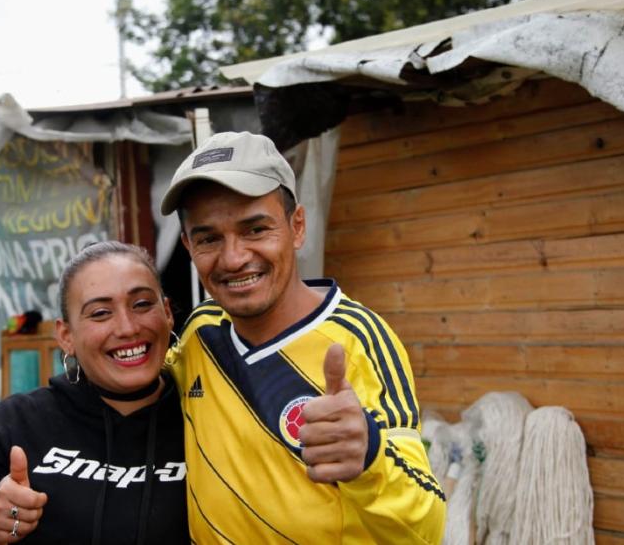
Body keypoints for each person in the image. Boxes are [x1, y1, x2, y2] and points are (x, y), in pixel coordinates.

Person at [159, 131, 447, 544]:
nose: (234, 257)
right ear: (187, 245)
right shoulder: (200, 332)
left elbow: (428, 529)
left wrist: (370, 460)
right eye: (209, 238)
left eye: (256, 229)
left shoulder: (357, 341)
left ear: (297, 227)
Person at [0, 241, 188, 544]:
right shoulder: (11, 428)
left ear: (166, 313)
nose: (127, 328)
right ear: (66, 336)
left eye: (141, 304)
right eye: (100, 313)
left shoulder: (206, 416)